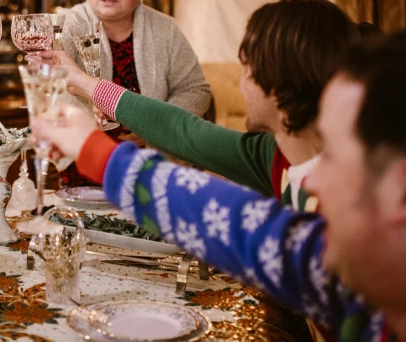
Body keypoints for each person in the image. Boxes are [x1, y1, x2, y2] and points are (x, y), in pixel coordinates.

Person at [33, 30, 406, 342]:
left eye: (336, 157)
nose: (312, 179)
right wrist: (93, 146)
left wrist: (97, 151)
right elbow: (233, 221)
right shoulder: (335, 273)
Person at [41, 0, 361, 210]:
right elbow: (182, 131)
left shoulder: (348, 201)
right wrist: (83, 82)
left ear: (281, 84)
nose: (241, 81)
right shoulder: (273, 154)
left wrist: (92, 148)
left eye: (247, 68)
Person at [59, 0, 211, 186]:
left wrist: (153, 128)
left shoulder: (165, 29)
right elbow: (52, 93)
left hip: (153, 170)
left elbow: (196, 90)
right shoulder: (65, 26)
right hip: (83, 170)